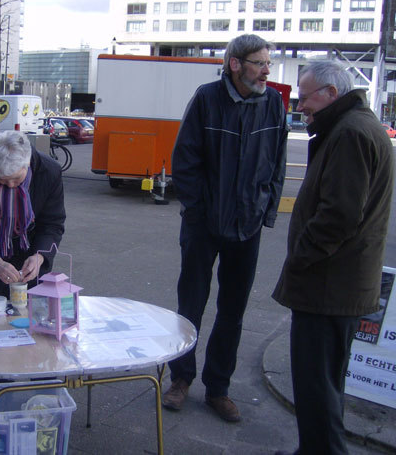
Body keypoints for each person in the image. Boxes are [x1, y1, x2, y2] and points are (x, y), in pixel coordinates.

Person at [163, 34, 288, 422]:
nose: (267, 69)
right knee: (191, 306)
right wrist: (199, 211)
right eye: (260, 62)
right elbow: (184, 160)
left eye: (268, 62)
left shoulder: (274, 104)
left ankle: (219, 389)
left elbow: (278, 164)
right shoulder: (207, 98)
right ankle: (181, 379)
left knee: (232, 312)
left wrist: (265, 212)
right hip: (203, 226)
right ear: (235, 64)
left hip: (247, 227)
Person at [272, 61, 394, 455]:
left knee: (316, 386)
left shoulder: (351, 133)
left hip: (328, 285)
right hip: (337, 283)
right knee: (322, 384)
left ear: (331, 93)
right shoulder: (353, 126)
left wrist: (300, 258)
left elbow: (339, 215)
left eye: (306, 98)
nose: (301, 106)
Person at [0, 130, 65, 298]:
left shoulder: (49, 171)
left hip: (32, 248)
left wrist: (40, 256)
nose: (10, 185)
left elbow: (52, 223)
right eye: (2, 179)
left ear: (27, 164)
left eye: (17, 179)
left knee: (34, 308)